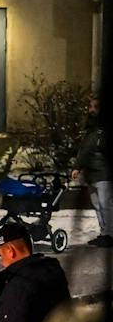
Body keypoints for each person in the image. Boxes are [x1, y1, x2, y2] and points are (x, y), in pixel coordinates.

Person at [73, 94, 108, 247]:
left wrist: (78, 166)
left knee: (105, 204)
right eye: (90, 107)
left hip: (104, 173)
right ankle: (104, 232)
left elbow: (91, 150)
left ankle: (110, 234)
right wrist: (78, 167)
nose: (92, 110)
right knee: (98, 205)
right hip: (92, 173)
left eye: (96, 107)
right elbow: (85, 151)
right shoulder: (90, 130)